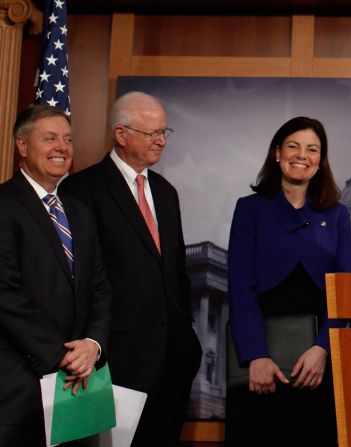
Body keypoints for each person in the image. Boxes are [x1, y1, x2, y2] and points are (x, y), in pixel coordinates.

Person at [60, 92, 202, 446]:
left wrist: (185, 333)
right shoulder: (82, 189)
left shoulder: (166, 192)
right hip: (115, 358)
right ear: (121, 135)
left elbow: (176, 272)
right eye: (151, 133)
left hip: (172, 360)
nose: (160, 141)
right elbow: (78, 279)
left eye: (164, 132)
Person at [226, 116, 351, 446]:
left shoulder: (337, 215)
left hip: (316, 366)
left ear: (320, 160)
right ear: (276, 153)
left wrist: (322, 350)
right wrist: (255, 356)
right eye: (293, 146)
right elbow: (240, 288)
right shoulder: (250, 210)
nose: (302, 155)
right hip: (262, 364)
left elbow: (344, 293)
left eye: (313, 149)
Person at [0, 105, 111, 446]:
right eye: (49, 138)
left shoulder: (78, 211)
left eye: (67, 139)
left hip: (79, 387)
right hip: (18, 388)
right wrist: (60, 354)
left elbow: (99, 288)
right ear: (22, 146)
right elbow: (4, 293)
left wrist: (92, 345)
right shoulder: (4, 205)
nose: (61, 147)